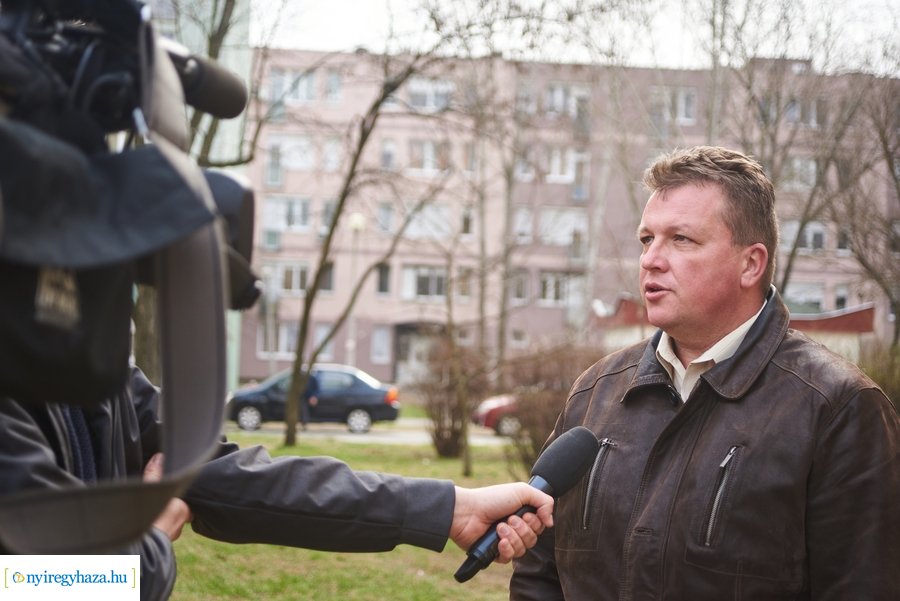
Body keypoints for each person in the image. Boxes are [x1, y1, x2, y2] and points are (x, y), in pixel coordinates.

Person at [510, 146, 899, 600]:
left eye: (681, 239)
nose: (651, 260)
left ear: (750, 263)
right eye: (646, 239)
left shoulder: (839, 408)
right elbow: (539, 573)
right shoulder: (596, 391)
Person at [0, 366, 554, 601]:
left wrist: (446, 507)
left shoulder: (89, 365)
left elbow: (230, 478)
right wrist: (148, 541)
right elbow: (33, 580)